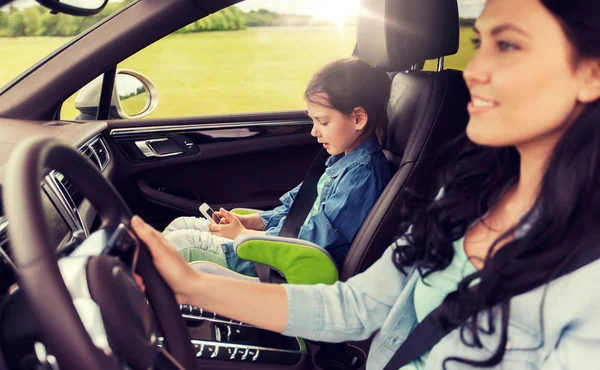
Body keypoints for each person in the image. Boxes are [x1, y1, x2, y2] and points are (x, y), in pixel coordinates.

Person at [131, 0, 600, 367]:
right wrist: (190, 284)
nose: (473, 71)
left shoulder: (588, 276)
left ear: (591, 72)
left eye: (509, 45)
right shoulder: (465, 193)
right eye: (480, 43)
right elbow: (357, 308)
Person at [162, 57, 392, 276]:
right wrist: (252, 222)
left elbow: (313, 240)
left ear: (358, 119)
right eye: (313, 121)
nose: (314, 131)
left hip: (284, 264)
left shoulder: (362, 176)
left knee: (180, 245)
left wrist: (244, 235)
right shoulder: (340, 162)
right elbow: (293, 212)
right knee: (180, 224)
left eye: (323, 122)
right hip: (281, 247)